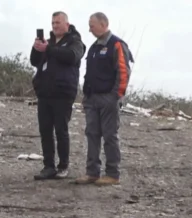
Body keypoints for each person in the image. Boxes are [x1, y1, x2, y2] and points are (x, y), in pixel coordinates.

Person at [75, 12, 134, 186]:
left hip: (108, 98)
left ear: (103, 24)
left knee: (110, 136)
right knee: (92, 134)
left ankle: (112, 173)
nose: (89, 28)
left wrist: (116, 95)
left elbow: (124, 72)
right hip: (92, 99)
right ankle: (92, 172)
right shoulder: (93, 48)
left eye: (92, 25)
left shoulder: (116, 44)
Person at [30, 11, 86, 180]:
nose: (54, 26)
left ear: (66, 25)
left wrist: (50, 49)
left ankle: (63, 165)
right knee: (45, 130)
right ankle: (48, 166)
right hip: (45, 92)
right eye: (53, 23)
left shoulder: (75, 42)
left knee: (61, 129)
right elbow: (34, 61)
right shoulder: (49, 41)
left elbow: (71, 57)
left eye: (58, 23)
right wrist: (37, 48)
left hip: (63, 92)